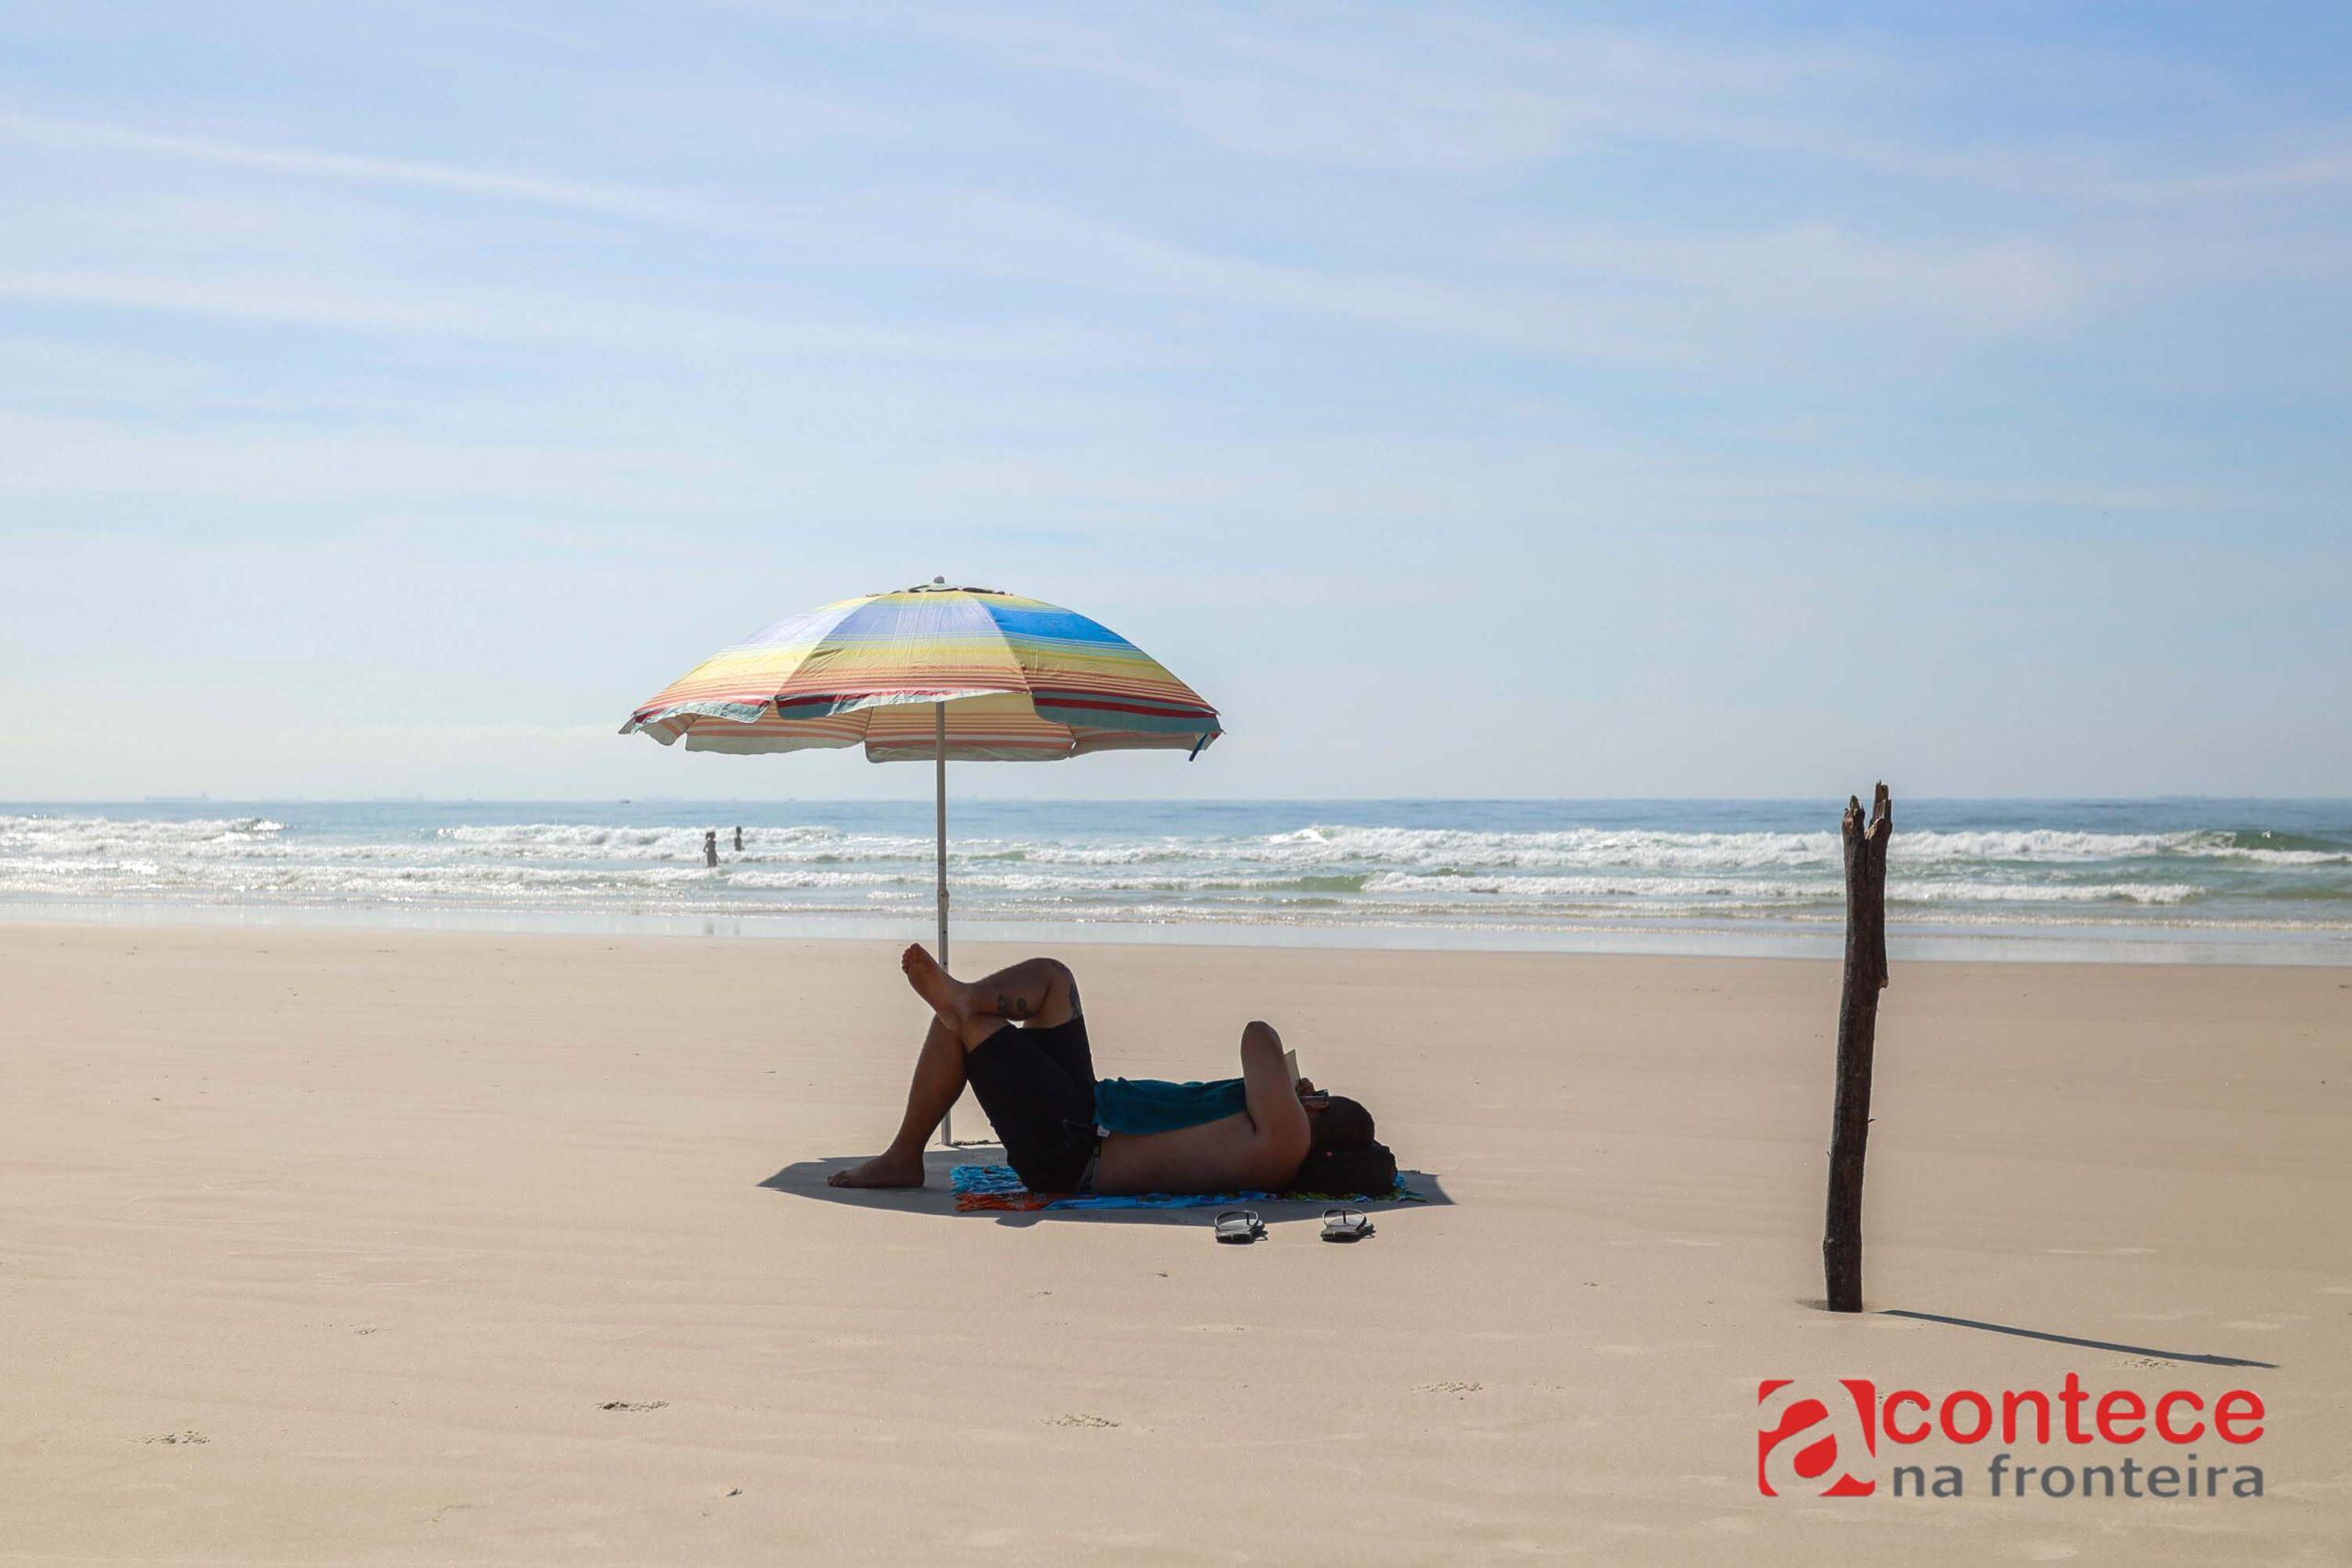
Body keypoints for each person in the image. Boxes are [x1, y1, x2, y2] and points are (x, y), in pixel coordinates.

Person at [828, 945, 1384, 1196]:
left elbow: (1257, 1034)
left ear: (1320, 1110)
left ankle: (904, 1156)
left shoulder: (1288, 1143)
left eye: (1319, 1096)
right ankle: (966, 994)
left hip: (1072, 1152)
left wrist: (1290, 1088)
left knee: (964, 1025)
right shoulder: (1278, 1142)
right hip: (1091, 1111)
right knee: (1055, 980)